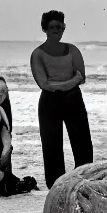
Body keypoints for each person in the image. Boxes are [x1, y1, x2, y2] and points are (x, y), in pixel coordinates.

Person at [31, 10, 92, 187]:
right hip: (49, 101)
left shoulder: (72, 49)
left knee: (82, 141)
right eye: (53, 27)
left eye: (60, 27)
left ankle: (85, 179)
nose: (57, 30)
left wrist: (64, 85)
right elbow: (43, 84)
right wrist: (69, 83)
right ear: (45, 29)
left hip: (73, 98)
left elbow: (82, 75)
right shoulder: (38, 53)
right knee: (51, 144)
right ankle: (56, 184)